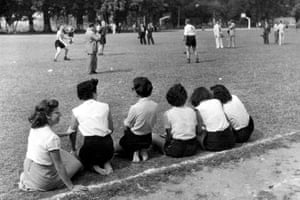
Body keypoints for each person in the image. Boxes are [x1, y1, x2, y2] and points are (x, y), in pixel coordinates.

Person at [18, 99, 87, 192]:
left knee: (60, 153)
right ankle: (36, 183)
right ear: (47, 116)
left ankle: (27, 179)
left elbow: (48, 136)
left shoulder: (35, 128)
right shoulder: (52, 138)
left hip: (29, 169)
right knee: (77, 164)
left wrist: (66, 133)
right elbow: (59, 165)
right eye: (56, 113)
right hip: (44, 180)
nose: (60, 115)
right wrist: (72, 187)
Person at [67, 79, 114, 175]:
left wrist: (73, 149)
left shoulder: (76, 111)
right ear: (94, 93)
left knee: (82, 153)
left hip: (91, 146)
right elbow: (111, 129)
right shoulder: (105, 106)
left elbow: (72, 132)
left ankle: (94, 166)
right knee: (102, 149)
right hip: (108, 145)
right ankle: (106, 162)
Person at [117, 77, 158, 162]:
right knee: (141, 128)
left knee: (127, 129)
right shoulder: (155, 105)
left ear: (137, 91)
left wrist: (125, 121)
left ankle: (135, 151)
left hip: (135, 139)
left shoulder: (135, 108)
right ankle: (143, 150)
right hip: (147, 138)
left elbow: (127, 125)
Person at [152, 84, 199, 158]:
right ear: (185, 97)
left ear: (169, 99)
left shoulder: (168, 114)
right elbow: (195, 130)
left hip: (177, 149)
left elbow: (169, 137)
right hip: (192, 148)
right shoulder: (192, 111)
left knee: (153, 136)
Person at [190, 87, 235, 151]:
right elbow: (227, 120)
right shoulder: (217, 101)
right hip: (230, 140)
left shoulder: (198, 109)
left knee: (196, 136)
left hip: (214, 143)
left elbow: (200, 130)